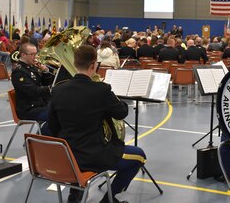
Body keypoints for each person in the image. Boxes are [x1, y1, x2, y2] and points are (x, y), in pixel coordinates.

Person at [48, 45, 146, 203]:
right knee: (139, 156)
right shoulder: (101, 90)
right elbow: (121, 112)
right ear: (94, 65)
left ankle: (75, 195)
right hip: (93, 156)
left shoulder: (58, 90)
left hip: (66, 155)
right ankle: (108, 200)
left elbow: (52, 126)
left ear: (74, 63)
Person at [11, 43, 53, 124]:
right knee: (57, 115)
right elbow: (33, 91)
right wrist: (50, 89)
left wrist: (45, 72)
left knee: (63, 109)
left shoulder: (32, 66)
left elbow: (43, 84)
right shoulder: (18, 71)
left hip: (40, 104)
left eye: (36, 53)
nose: (36, 57)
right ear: (23, 55)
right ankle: (43, 134)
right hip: (29, 109)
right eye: (32, 54)